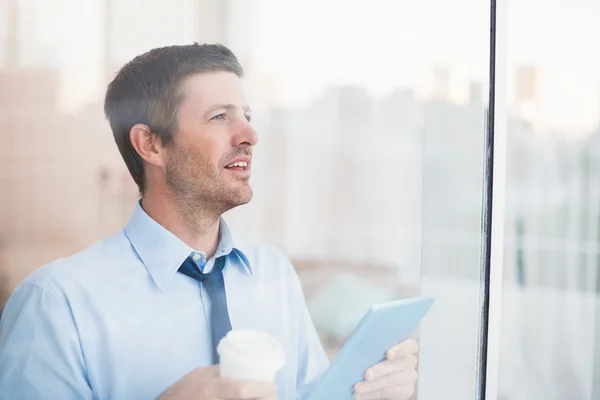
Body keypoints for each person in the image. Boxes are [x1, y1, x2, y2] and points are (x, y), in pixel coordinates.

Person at [0, 43, 419, 400]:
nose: (249, 135)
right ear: (151, 144)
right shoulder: (55, 304)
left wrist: (371, 388)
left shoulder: (274, 273)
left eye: (247, 115)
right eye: (220, 116)